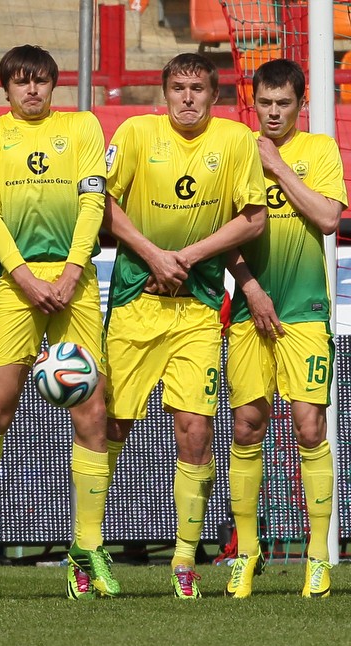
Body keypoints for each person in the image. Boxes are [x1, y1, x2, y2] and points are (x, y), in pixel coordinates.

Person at [101, 52, 267, 599]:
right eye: (179, 88)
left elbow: (254, 217)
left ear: (213, 96)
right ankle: (88, 548)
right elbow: (101, 202)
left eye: (198, 88)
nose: (188, 98)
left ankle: (183, 559)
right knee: (112, 427)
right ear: (164, 93)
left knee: (195, 430)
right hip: (134, 301)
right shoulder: (135, 133)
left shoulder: (236, 141)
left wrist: (187, 257)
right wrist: (153, 255)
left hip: (197, 308)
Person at [0, 44, 117, 601]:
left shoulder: (83, 127)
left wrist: (73, 272)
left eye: (42, 81)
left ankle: (86, 548)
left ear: (55, 85)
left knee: (91, 413)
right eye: (22, 82)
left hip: (77, 283)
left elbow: (93, 202)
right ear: (6, 89)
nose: (32, 90)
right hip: (16, 285)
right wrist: (24, 276)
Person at [225, 58, 347, 598]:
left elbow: (327, 218)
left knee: (309, 427)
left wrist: (277, 168)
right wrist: (250, 289)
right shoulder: (234, 151)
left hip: (305, 312)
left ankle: (318, 555)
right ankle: (245, 553)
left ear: (301, 105)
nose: (274, 113)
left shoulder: (317, 150)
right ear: (254, 102)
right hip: (251, 310)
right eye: (266, 104)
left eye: (284, 104)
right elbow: (223, 235)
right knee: (248, 426)